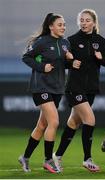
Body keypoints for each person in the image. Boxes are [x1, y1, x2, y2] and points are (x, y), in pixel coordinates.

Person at [52, 9, 105, 173]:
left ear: (93, 22)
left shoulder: (101, 41)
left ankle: (57, 155)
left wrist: (101, 58)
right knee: (90, 119)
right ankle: (87, 159)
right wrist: (70, 63)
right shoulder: (70, 41)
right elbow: (60, 62)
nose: (84, 23)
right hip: (74, 87)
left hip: (91, 88)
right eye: (82, 20)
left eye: (87, 20)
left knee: (73, 123)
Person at [18, 13, 74, 174]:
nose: (63, 27)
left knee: (42, 125)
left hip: (57, 88)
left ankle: (25, 157)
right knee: (54, 122)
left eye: (64, 24)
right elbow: (26, 57)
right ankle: (48, 160)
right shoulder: (41, 42)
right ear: (50, 26)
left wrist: (70, 61)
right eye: (59, 24)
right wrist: (42, 67)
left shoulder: (65, 43)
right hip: (41, 87)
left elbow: (62, 64)